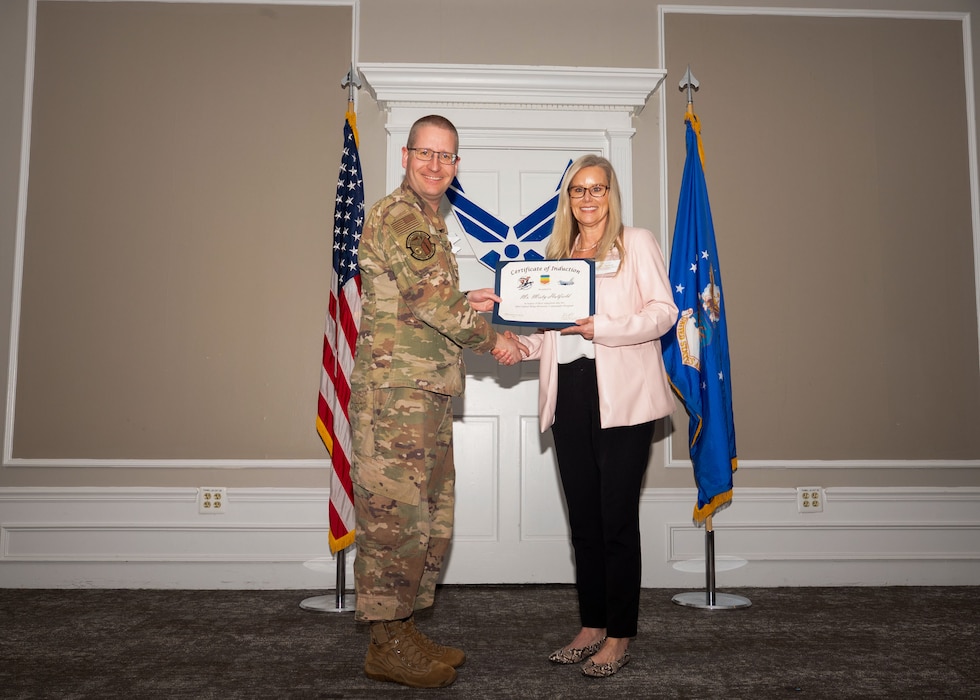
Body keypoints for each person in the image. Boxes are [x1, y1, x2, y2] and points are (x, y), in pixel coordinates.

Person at [348, 114, 523, 689]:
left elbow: (422, 298)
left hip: (421, 391)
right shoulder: (401, 215)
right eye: (425, 153)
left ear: (456, 165)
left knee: (424, 518)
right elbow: (433, 304)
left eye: (445, 156)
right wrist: (493, 336)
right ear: (405, 156)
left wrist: (464, 299)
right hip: (395, 395)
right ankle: (384, 643)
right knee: (395, 519)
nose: (434, 164)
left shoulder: (426, 219)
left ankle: (399, 627)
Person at [506, 154, 678, 678]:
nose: (586, 198)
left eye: (596, 189)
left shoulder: (636, 242)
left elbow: (663, 312)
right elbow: (547, 333)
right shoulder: (555, 254)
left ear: (611, 193)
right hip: (570, 396)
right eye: (577, 190)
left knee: (617, 520)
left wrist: (599, 326)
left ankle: (620, 634)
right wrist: (516, 345)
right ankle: (591, 624)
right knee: (583, 519)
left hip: (622, 396)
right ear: (568, 198)